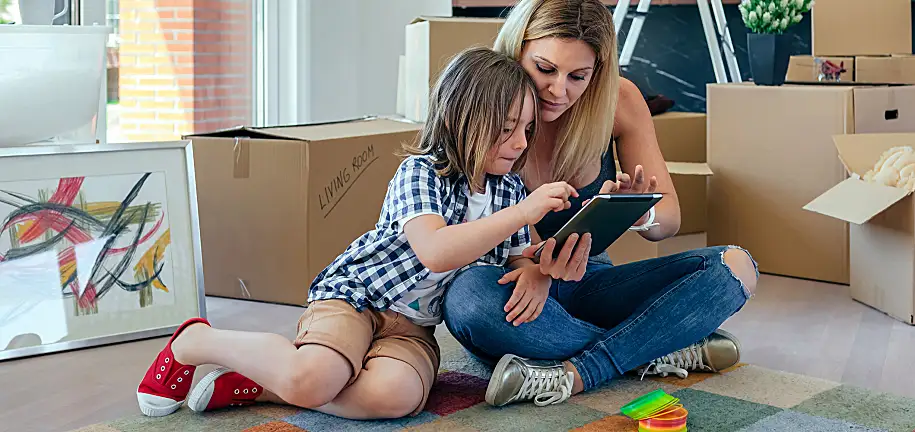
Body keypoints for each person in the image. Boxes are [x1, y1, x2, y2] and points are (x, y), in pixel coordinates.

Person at [135, 47, 577, 420]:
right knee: (316, 379)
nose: (520, 142)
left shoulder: (509, 189)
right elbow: (436, 251)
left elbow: (520, 253)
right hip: (357, 296)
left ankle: (265, 385)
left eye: (527, 129)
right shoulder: (421, 173)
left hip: (414, 328)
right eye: (506, 130)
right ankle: (196, 341)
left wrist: (535, 269)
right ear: (462, 120)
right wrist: (525, 210)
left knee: (397, 398)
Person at [441, 0, 761, 408]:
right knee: (467, 301)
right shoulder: (481, 99)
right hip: (512, 283)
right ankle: (651, 347)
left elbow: (669, 220)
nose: (559, 90)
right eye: (544, 69)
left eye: (579, 76)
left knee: (734, 267)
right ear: (517, 48)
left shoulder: (618, 100)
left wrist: (637, 210)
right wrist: (536, 268)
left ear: (599, 72)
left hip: (590, 282)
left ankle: (574, 373)